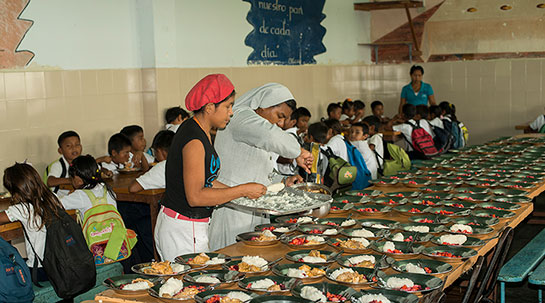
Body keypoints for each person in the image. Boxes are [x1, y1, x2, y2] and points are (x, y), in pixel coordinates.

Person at [156, 74, 266, 261]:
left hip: (187, 226)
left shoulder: (200, 131)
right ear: (209, 107)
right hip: (183, 227)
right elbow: (196, 196)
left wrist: (243, 193)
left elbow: (208, 180)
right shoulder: (194, 140)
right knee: (193, 287)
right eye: (227, 106)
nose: (231, 112)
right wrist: (241, 190)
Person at [208, 83, 313, 251]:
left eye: (284, 119)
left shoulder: (256, 127)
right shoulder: (240, 117)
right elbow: (271, 135)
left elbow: (261, 169)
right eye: (279, 115)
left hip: (254, 205)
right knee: (231, 257)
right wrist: (298, 151)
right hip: (234, 207)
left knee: (253, 260)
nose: (280, 123)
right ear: (265, 104)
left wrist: (283, 180)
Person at [0, 163, 65, 282]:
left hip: (41, 271)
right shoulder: (53, 198)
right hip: (61, 265)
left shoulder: (22, 209)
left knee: (8, 266)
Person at [60, 155, 117, 222]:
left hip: (95, 232)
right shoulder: (107, 189)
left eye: (71, 178)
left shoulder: (80, 195)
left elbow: (57, 204)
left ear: (78, 181)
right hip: (116, 230)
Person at [45, 130, 82, 196]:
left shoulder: (84, 162)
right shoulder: (58, 165)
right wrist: (71, 180)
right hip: (61, 200)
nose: (74, 148)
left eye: (77, 144)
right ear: (60, 151)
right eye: (68, 146)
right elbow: (50, 182)